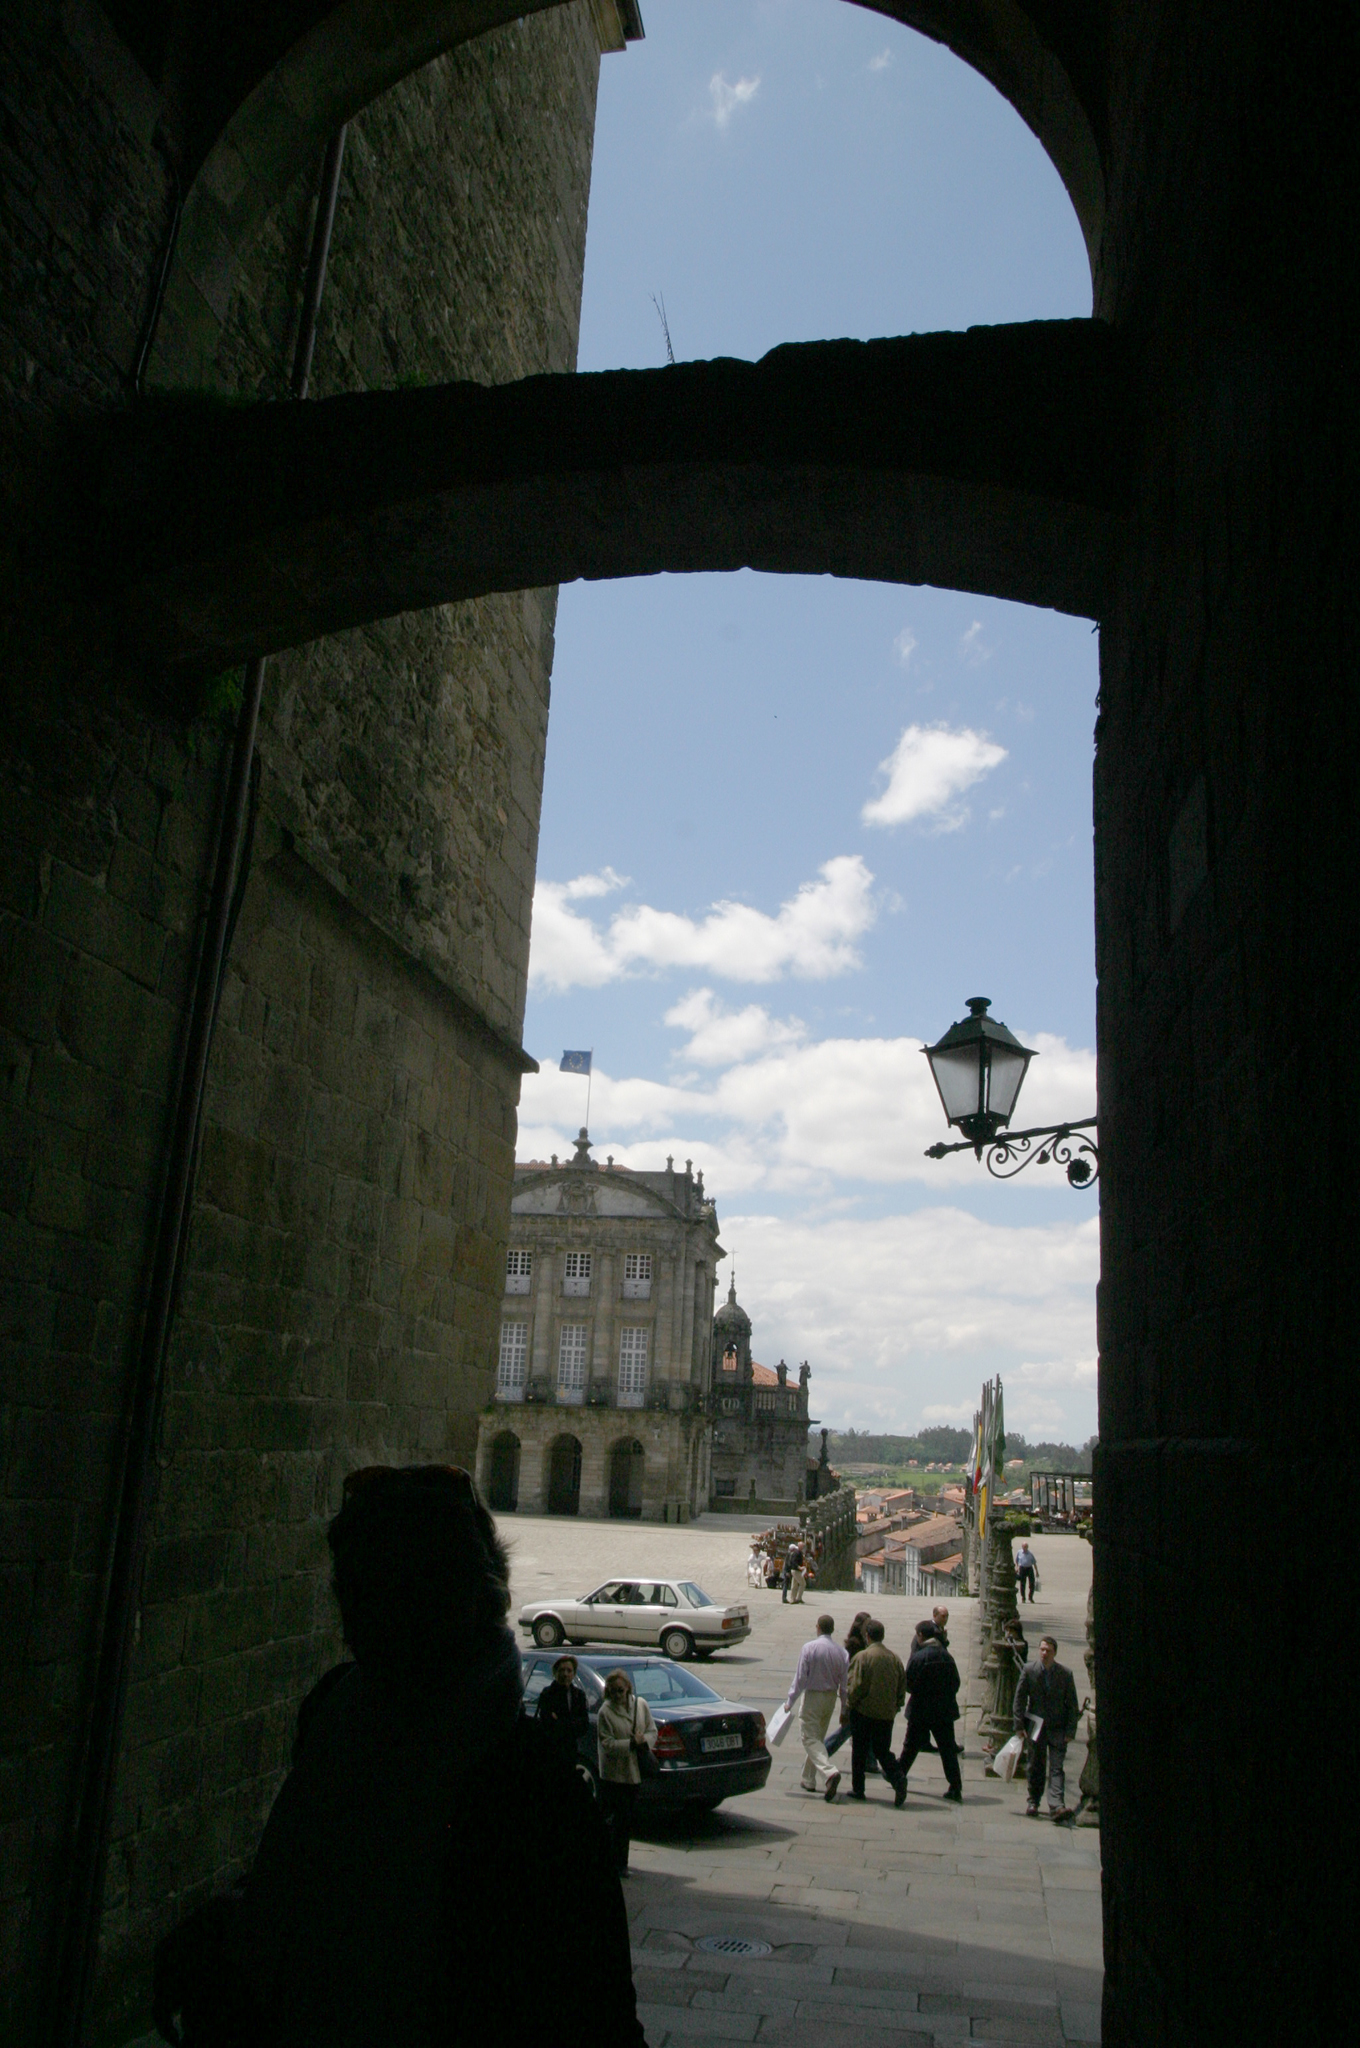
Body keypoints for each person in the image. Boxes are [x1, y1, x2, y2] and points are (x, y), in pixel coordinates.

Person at [204, 1463, 643, 2048]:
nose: (350, 1622)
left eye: (372, 1594)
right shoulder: (334, 1714)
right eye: (349, 1592)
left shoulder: (535, 1798)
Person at [596, 1667, 657, 1873]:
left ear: (628, 1688)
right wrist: (630, 1744)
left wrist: (642, 1742)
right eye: (613, 1691)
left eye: (620, 1690)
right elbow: (607, 1744)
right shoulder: (605, 1712)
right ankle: (614, 1863)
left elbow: (652, 1730)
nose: (617, 1695)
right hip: (614, 1775)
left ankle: (620, 1862)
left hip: (635, 1773)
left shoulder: (640, 1705)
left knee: (627, 1820)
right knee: (615, 1820)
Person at [1013, 1634, 1080, 1819]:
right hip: (1036, 1724)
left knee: (1057, 1767)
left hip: (1058, 1726)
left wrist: (1071, 1730)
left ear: (1054, 1653)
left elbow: (1072, 1704)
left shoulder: (1065, 1674)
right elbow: (1019, 1699)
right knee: (1035, 1765)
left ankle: (1057, 1805)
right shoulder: (1029, 1670)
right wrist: (1019, 1725)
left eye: (1048, 1651)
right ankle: (1033, 1801)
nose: (1044, 1653)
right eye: (1042, 1649)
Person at [785, 1613, 849, 1800]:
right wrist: (844, 1707)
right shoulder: (842, 1652)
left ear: (818, 1628)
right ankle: (808, 1778)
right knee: (817, 1738)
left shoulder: (809, 1648)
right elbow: (844, 1685)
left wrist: (790, 1701)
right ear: (832, 1629)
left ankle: (829, 1772)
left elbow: (800, 1678)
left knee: (809, 1738)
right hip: (830, 1698)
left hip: (813, 1696)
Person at [897, 1621, 963, 1803]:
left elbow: (908, 1683)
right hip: (944, 1711)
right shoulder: (946, 1656)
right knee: (947, 1750)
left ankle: (898, 1777)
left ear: (920, 1635)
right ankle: (955, 1786)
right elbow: (956, 1683)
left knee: (910, 1747)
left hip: (921, 1710)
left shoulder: (919, 1657)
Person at [844, 1620, 908, 1805]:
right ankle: (897, 1776)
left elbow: (855, 1686)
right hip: (886, 1713)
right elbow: (902, 1685)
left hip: (863, 1711)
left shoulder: (862, 1657)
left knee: (859, 1751)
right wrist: (897, 1704)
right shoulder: (894, 1658)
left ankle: (858, 1789)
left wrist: (850, 1704)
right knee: (882, 1750)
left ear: (867, 1636)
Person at [825, 1613, 873, 1763]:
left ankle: (870, 1761)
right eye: (866, 1624)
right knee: (849, 1729)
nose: (868, 1627)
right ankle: (823, 1751)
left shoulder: (865, 1641)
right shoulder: (855, 1644)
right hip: (855, 1689)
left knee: (863, 1728)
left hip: (862, 1690)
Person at [536, 1653, 590, 1772]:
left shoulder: (578, 1695)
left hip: (571, 1752)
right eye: (562, 1670)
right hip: (551, 1752)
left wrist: (561, 1721)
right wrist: (571, 1724)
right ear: (555, 1673)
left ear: (574, 1674)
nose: (565, 1674)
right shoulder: (548, 1694)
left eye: (569, 1670)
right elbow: (548, 1724)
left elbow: (584, 1724)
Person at [781, 1538, 805, 1603]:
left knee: (794, 1585)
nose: (803, 1547)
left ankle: (793, 1598)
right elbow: (792, 1562)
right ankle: (798, 1598)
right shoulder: (795, 1553)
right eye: (802, 1546)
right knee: (803, 1583)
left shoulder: (798, 1553)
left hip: (794, 1570)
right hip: (795, 1570)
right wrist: (799, 1567)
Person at [1015, 1539, 1037, 1603]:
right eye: (1024, 1547)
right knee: (1022, 1584)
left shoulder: (1030, 1553)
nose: (1025, 1548)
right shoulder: (1019, 1552)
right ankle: (1023, 1597)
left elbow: (1034, 1562)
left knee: (1032, 1583)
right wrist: (1017, 1568)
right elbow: (1017, 1561)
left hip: (1029, 1568)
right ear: (1022, 1547)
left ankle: (1030, 1597)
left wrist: (1036, 1571)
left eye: (1026, 1547)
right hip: (1022, 1568)